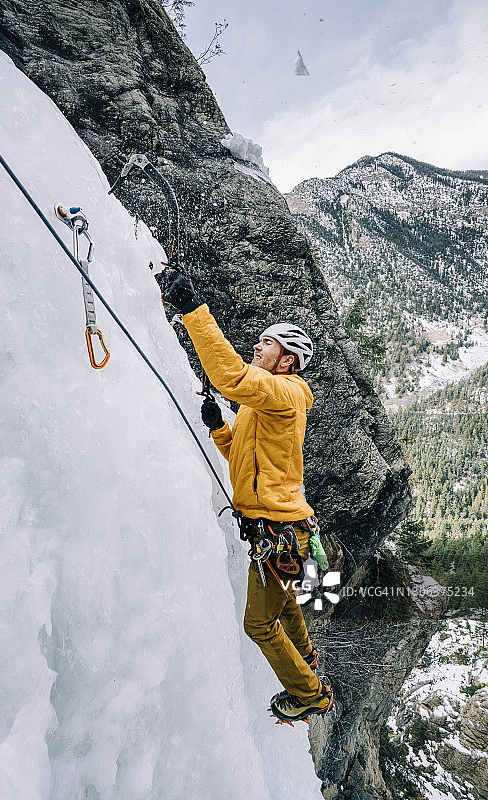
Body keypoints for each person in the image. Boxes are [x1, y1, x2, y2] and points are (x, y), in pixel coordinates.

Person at [164, 273, 333, 723]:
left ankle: (310, 694)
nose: (257, 348)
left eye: (266, 344)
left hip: (281, 532)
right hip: (281, 532)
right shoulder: (261, 407)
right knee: (290, 602)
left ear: (288, 361)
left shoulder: (288, 394)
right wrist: (220, 428)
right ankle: (309, 661)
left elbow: (231, 375)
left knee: (259, 624)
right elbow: (240, 458)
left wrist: (193, 313)